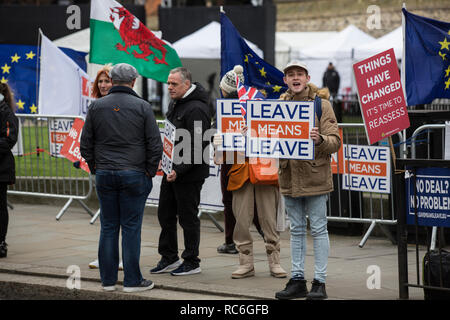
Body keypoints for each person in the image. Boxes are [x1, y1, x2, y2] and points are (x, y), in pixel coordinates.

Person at [80, 63, 162, 292]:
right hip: (134, 173)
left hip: (106, 173)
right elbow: (155, 145)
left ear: (112, 81)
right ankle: (132, 281)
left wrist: (96, 167)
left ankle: (107, 281)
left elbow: (85, 144)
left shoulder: (96, 107)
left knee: (108, 226)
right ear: (134, 82)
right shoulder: (143, 107)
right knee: (130, 228)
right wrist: (148, 171)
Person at [214, 66, 287, 280]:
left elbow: (280, 138)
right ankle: (245, 262)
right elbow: (219, 158)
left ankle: (275, 261)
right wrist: (218, 142)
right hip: (239, 172)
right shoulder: (223, 114)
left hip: (264, 171)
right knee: (241, 221)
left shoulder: (264, 109)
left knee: (269, 220)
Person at [275, 61, 340, 300]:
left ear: (307, 78)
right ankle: (297, 279)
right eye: (290, 74)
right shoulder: (280, 105)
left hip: (315, 177)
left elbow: (335, 142)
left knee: (319, 229)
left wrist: (320, 139)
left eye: (299, 74)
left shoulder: (321, 105)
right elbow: (268, 137)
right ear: (285, 80)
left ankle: (319, 282)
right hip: (289, 176)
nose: (295, 78)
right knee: (297, 231)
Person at [150, 67, 211, 276]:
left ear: (187, 84)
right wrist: (166, 162)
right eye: (168, 83)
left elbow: (200, 143)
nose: (169, 87)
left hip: (189, 173)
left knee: (187, 217)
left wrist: (179, 170)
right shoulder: (176, 102)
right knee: (165, 214)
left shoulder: (196, 108)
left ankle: (192, 261)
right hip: (171, 170)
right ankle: (169, 257)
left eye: (174, 84)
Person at [215, 65, 265, 255]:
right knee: (253, 201)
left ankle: (230, 241)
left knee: (230, 201)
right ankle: (267, 235)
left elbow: (217, 135)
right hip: (252, 158)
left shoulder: (224, 108)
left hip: (232, 159)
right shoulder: (254, 102)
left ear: (225, 89)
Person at [87, 64, 124, 271]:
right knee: (107, 218)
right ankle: (107, 257)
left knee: (119, 219)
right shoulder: (95, 106)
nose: (103, 85)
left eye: (107, 81)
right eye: (100, 81)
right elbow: (88, 139)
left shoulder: (124, 105)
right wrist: (93, 164)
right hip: (104, 168)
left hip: (121, 169)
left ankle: (118, 258)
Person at [0, 83, 18, 259]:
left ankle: (1, 242)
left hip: (1, 168)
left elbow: (9, 139)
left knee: (0, 207)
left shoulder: (6, 112)